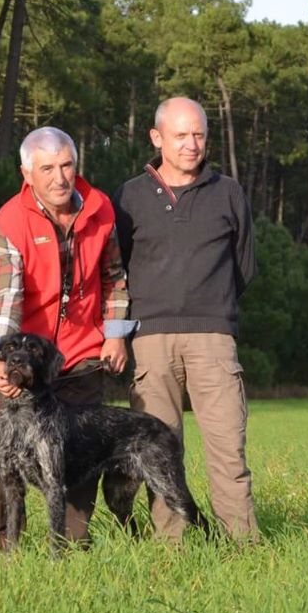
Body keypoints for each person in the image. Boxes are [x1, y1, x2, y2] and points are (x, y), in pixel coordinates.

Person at [0, 126, 135, 550]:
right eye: (47, 168)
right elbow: (5, 297)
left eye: (66, 165)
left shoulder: (101, 209)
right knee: (2, 463)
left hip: (82, 357)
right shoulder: (10, 220)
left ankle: (71, 548)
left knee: (78, 465)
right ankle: (1, 548)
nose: (59, 177)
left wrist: (116, 334)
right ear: (26, 173)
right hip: (25, 359)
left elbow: (115, 277)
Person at [113, 97, 259, 541]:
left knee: (228, 450)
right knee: (159, 451)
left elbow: (244, 265)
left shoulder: (228, 191)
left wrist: (210, 305)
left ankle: (242, 545)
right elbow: (115, 269)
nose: (192, 144)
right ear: (157, 138)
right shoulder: (129, 196)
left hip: (213, 339)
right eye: (180, 135)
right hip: (149, 342)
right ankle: (170, 545)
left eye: (198, 134)